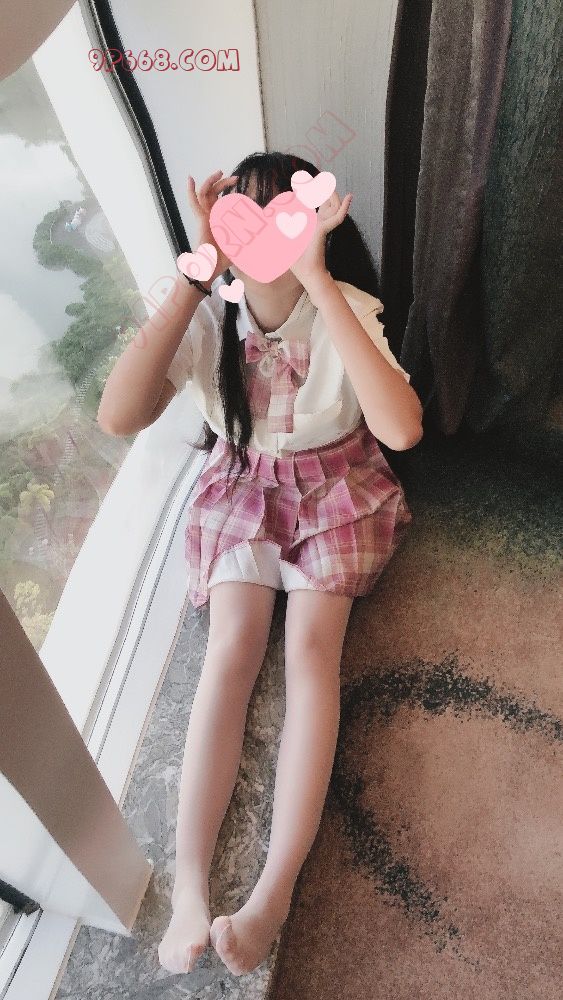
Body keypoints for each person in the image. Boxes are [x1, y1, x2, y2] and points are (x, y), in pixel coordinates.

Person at [97, 151, 423, 978]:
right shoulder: (209, 320)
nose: (258, 232)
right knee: (232, 649)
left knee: (311, 653)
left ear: (315, 226)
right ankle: (191, 890)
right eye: (239, 213)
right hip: (244, 485)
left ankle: (273, 892)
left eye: (280, 214)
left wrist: (316, 278)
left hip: (338, 487)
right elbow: (118, 415)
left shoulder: (344, 305)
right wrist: (195, 275)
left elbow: (400, 430)